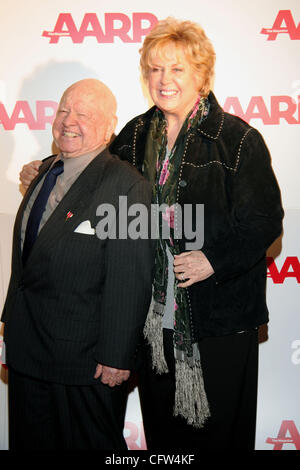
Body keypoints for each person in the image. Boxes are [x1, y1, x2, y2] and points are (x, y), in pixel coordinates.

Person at [20, 18, 284, 451]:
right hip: (151, 324)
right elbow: (94, 175)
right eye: (155, 69)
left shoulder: (236, 139)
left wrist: (212, 259)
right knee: (165, 442)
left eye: (177, 69)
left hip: (217, 322)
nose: (164, 80)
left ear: (202, 74)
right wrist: (50, 170)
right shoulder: (136, 133)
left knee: (219, 438)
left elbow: (264, 221)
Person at [2, 78, 153, 450]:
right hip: (27, 354)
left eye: (84, 114)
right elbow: (27, 261)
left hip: (84, 365)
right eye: (64, 110)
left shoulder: (128, 185)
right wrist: (9, 326)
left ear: (108, 127)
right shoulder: (45, 172)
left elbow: (131, 277)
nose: (70, 120)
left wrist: (117, 355)